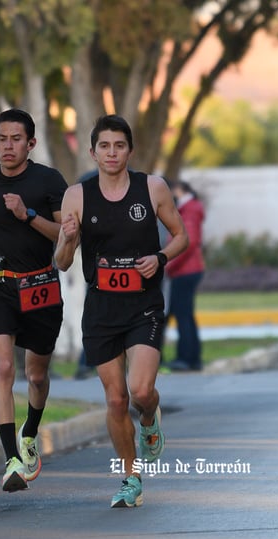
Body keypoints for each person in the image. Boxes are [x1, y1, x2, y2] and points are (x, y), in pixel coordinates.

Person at [54, 115, 188, 508]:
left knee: (141, 391)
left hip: (143, 304)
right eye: (105, 146)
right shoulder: (77, 196)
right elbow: (62, 262)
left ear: (130, 150)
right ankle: (130, 477)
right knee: (115, 400)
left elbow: (182, 236)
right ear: (92, 151)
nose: (112, 153)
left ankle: (149, 418)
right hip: (101, 309)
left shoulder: (153, 188)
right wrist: (68, 239)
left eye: (120, 146)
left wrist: (159, 258)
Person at [0, 109, 66, 493]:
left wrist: (28, 214)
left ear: (31, 144)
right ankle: (10, 462)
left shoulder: (48, 180)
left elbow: (63, 235)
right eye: (2, 139)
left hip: (39, 287)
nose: (8, 146)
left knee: (36, 375)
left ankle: (30, 432)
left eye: (16, 139)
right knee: (4, 366)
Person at [164, 179, 205, 371]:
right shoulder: (189, 208)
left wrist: (166, 263)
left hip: (185, 270)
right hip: (186, 269)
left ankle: (187, 358)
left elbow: (187, 242)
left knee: (183, 315)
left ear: (179, 190)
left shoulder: (190, 209)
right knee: (185, 314)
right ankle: (191, 357)